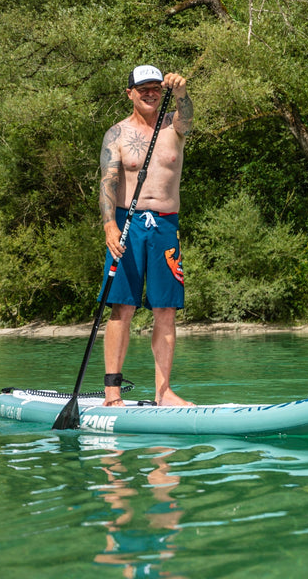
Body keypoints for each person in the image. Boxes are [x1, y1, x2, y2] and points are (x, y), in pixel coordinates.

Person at [98, 64, 194, 407]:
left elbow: (188, 119)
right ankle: (112, 392)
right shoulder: (117, 134)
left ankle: (164, 392)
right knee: (122, 306)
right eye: (143, 89)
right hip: (127, 222)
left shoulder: (174, 126)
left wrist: (181, 93)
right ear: (130, 94)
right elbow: (107, 182)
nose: (151, 93)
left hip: (166, 225)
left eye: (156, 87)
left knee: (165, 309)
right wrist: (109, 224)